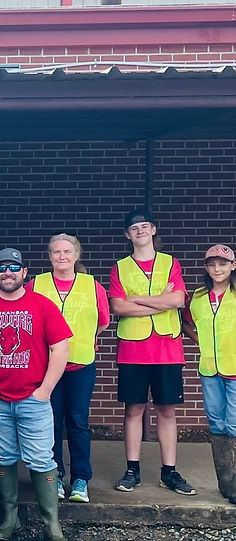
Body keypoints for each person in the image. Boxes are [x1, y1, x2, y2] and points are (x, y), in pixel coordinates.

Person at [0, 248, 73, 541]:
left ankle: (53, 525)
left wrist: (46, 389)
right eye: (1, 268)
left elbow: (60, 348)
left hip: (33, 398)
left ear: (24, 272)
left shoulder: (42, 305)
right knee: (2, 458)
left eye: (14, 267)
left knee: (41, 459)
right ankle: (10, 517)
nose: (7, 273)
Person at [109, 209, 195, 496]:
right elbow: (118, 307)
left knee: (167, 411)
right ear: (127, 235)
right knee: (133, 410)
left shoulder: (171, 263)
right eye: (134, 228)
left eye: (145, 226)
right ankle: (132, 469)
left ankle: (169, 471)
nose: (140, 231)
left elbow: (178, 299)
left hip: (168, 348)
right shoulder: (120, 267)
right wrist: (161, 301)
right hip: (133, 349)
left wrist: (139, 299)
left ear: (154, 230)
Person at [30, 233, 110, 503]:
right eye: (56, 252)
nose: (61, 257)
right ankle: (55, 476)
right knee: (50, 423)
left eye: (66, 252)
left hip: (80, 364)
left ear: (76, 255)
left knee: (78, 422)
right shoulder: (36, 284)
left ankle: (80, 479)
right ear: (49, 256)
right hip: (46, 367)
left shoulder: (92, 285)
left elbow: (103, 322)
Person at [183, 244, 236, 504]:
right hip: (209, 369)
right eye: (213, 264)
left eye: (223, 263)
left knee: (234, 424)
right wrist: (201, 342)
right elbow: (186, 322)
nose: (218, 268)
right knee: (216, 423)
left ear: (233, 266)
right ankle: (226, 483)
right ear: (206, 267)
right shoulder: (199, 296)